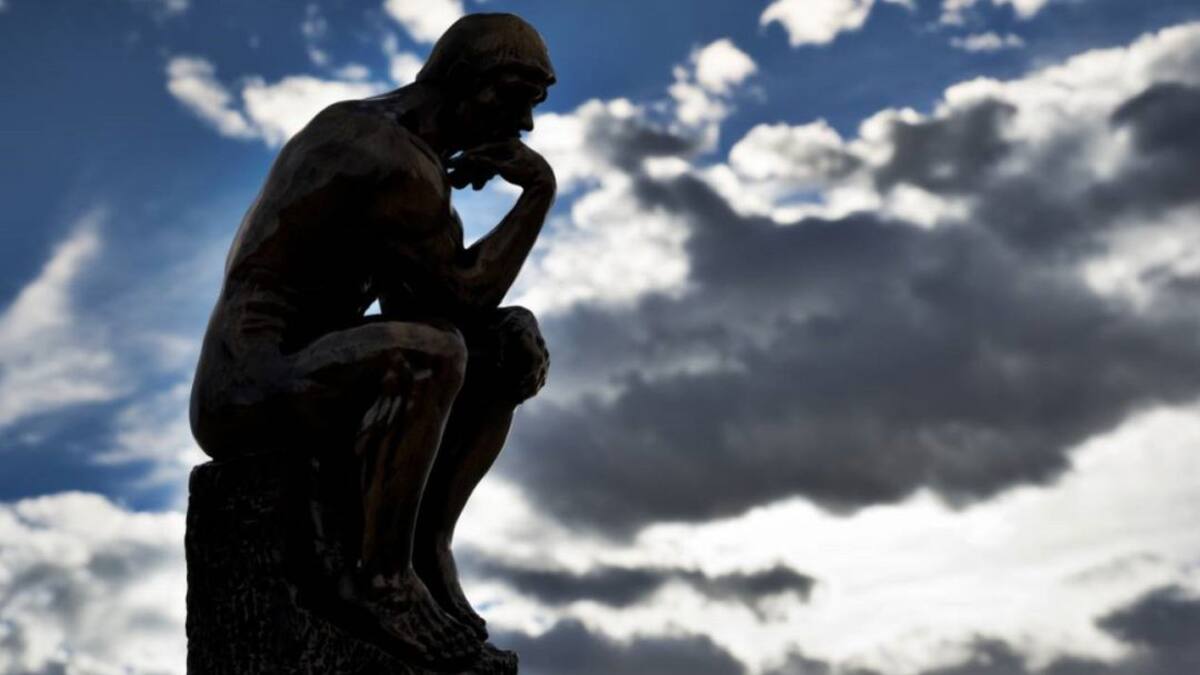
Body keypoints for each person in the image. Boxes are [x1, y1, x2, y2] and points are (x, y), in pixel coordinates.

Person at [189, 13, 555, 667]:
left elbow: (434, 309)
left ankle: (425, 548)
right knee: (431, 354)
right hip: (245, 387)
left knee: (506, 345)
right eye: (516, 101)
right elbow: (456, 304)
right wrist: (538, 193)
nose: (524, 128)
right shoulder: (382, 151)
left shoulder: (418, 167)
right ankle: (384, 581)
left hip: (317, 362)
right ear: (467, 83)